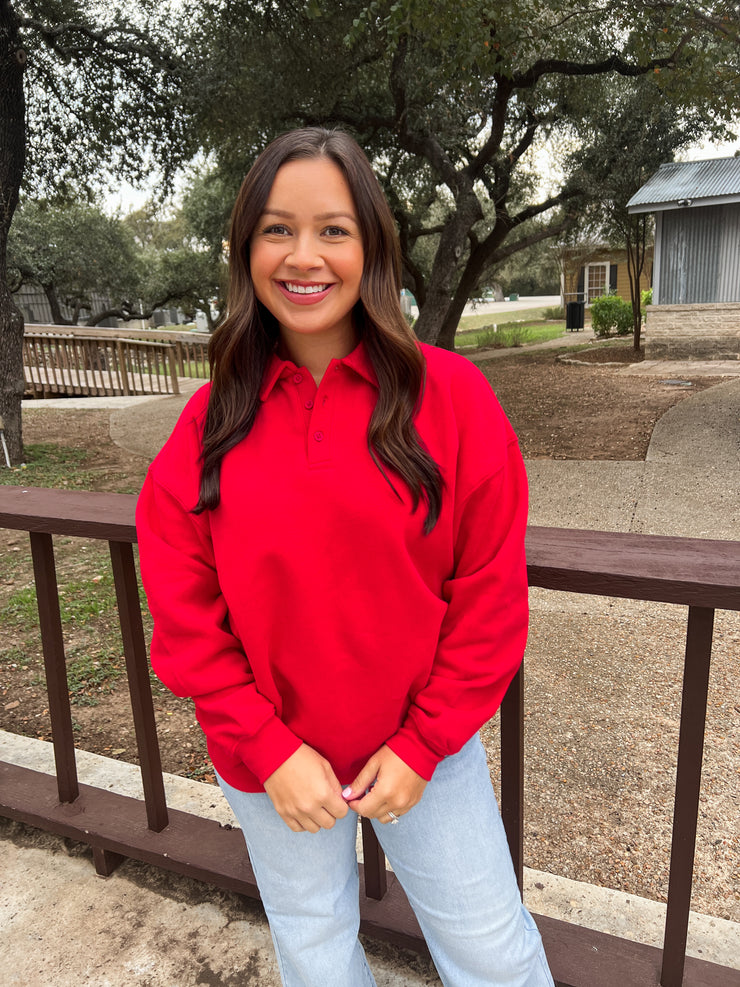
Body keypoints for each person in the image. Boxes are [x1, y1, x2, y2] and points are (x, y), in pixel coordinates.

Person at [136, 127, 554, 987]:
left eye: (333, 229)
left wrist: (424, 744)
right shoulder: (208, 425)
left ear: (372, 246)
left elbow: (490, 599)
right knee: (315, 947)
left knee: (491, 951)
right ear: (246, 248)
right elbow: (183, 609)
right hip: (269, 763)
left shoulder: (454, 400)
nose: (304, 256)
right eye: (277, 229)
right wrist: (268, 748)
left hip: (422, 757)